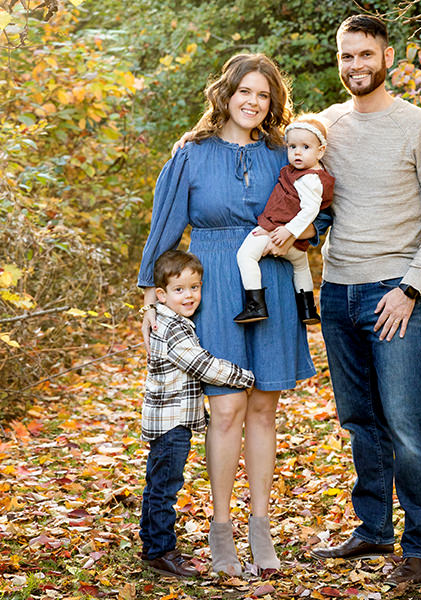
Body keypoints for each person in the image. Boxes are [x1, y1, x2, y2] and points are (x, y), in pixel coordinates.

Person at [138, 53, 316, 576]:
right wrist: (150, 290)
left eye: (263, 95)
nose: (253, 102)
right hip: (214, 284)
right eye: (245, 91)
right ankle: (221, 530)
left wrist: (300, 236)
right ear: (226, 93)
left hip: (272, 281)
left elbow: (317, 204)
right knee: (226, 410)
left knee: (264, 410)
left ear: (273, 103)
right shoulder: (191, 154)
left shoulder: (285, 153)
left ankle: (261, 529)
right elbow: (165, 224)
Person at [303, 14, 421, 588]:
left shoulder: (419, 125)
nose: (356, 66)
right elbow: (311, 199)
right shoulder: (326, 126)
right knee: (359, 420)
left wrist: (411, 287)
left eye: (366, 55)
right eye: (347, 56)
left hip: (395, 293)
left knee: (407, 424)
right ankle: (372, 530)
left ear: (388, 58)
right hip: (338, 292)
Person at [139, 249, 255, 579]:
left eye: (195, 287)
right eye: (179, 290)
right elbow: (201, 365)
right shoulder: (173, 329)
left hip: (169, 421)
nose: (189, 296)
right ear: (161, 295)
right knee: (165, 487)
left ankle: (151, 544)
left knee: (156, 483)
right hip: (171, 422)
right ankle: (162, 550)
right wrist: (243, 376)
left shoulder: (173, 320)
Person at [234, 115, 335, 325]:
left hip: (278, 232)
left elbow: (310, 210)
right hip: (294, 243)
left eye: (305, 147)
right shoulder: (305, 173)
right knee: (300, 267)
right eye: (292, 146)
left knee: (246, 256)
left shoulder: (310, 178)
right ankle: (307, 308)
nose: (297, 152)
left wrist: (288, 231)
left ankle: (255, 305)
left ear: (321, 150)